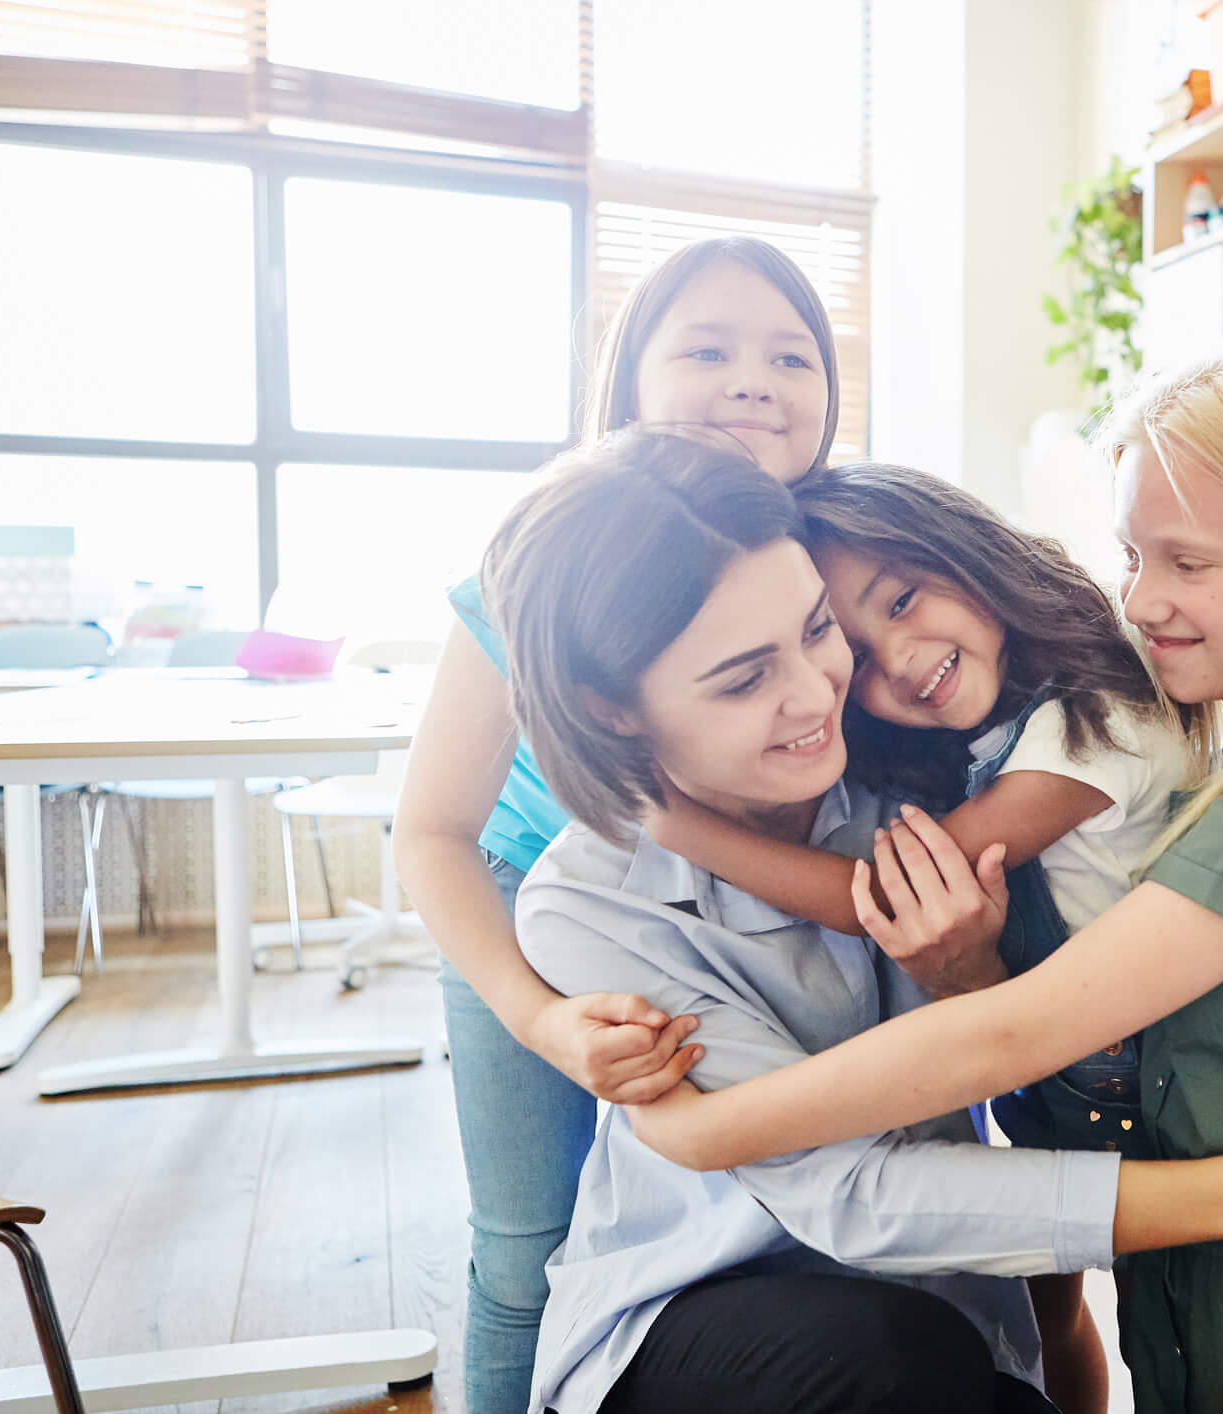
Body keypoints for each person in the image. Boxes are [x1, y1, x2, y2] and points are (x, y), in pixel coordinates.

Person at [613, 340, 1223, 1413]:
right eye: (1132, 558)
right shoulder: (1222, 761)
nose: (1142, 602)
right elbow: (1107, 1093)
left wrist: (706, 1127)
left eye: (1187, 563)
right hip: (1221, 1310)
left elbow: (1017, 1034)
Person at [390, 235, 838, 1414]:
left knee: (797, 1228)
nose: (755, 380)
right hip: (538, 936)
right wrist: (539, 1019)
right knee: (528, 1244)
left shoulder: (840, 553)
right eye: (707, 348)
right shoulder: (538, 561)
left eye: (792, 355)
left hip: (745, 925)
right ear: (626, 381)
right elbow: (434, 830)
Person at [642, 459, 1189, 1413]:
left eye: (901, 600)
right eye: (851, 645)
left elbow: (879, 896)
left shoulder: (1100, 724)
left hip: (1133, 1074)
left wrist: (678, 825)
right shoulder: (1005, 726)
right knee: (1049, 1305)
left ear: (969, 554)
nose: (893, 659)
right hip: (1049, 1056)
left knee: (1162, 1311)